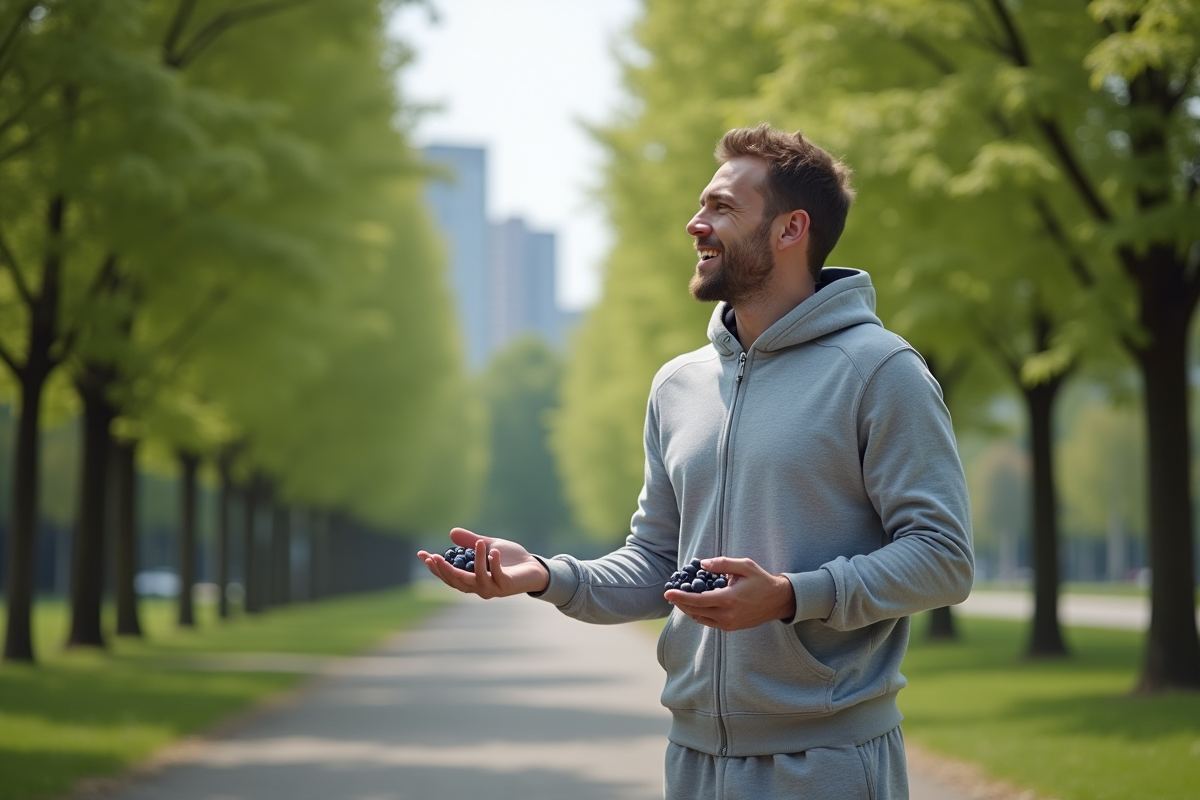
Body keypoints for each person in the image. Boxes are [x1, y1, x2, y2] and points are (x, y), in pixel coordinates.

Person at [417, 123, 974, 800]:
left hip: (825, 763)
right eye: (700, 205)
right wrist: (543, 574)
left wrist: (793, 596)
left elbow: (943, 557)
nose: (695, 224)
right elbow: (656, 565)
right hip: (692, 763)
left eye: (721, 208)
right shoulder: (677, 385)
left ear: (790, 229)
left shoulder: (880, 371)